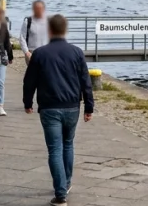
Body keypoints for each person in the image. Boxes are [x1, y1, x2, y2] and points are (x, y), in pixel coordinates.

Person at [22, 14, 94, 205]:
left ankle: (60, 193)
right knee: (68, 144)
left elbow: (29, 82)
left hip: (49, 108)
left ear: (49, 30)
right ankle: (66, 183)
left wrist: (27, 102)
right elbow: (85, 82)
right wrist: (89, 106)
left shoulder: (39, 54)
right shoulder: (77, 52)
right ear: (65, 30)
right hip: (72, 107)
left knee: (54, 149)